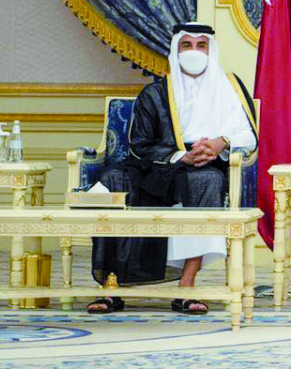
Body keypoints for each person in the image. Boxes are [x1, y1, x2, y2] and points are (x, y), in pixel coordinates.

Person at [87, 23, 257, 315]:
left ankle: (187, 288)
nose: (194, 52)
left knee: (208, 182)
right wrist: (181, 155)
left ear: (211, 50)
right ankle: (110, 286)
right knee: (113, 178)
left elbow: (250, 134)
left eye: (201, 45)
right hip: (160, 163)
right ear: (176, 51)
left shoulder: (230, 87)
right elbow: (139, 144)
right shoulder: (155, 93)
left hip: (207, 163)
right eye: (186, 45)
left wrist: (220, 142)